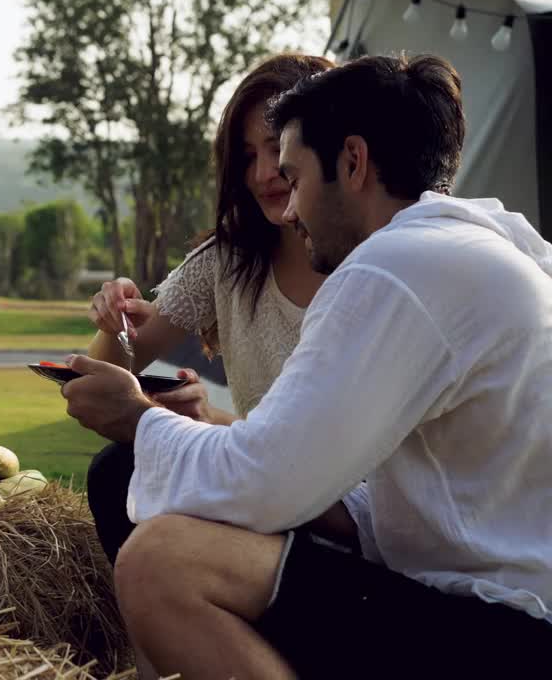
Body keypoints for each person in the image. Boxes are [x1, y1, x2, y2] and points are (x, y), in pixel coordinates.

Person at [63, 53, 552, 679]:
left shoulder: (393, 266)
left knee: (164, 562)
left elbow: (263, 485)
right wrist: (329, 502)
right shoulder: (473, 244)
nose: (288, 208)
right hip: (502, 610)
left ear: (352, 162)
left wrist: (136, 419)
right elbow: (432, 507)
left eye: (293, 177)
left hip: (505, 632)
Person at [84, 53, 334, 562]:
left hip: (343, 511)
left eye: (277, 148)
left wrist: (210, 422)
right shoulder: (226, 261)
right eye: (246, 156)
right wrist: (117, 316)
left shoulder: (371, 263)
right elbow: (108, 374)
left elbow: (330, 456)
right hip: (257, 491)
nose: (265, 172)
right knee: (118, 469)